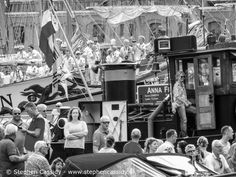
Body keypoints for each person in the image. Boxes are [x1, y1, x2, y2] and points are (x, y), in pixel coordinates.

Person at [173, 71, 196, 137]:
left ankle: (195, 129)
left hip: (185, 104)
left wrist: (187, 102)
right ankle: (184, 135)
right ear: (177, 77)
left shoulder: (182, 84)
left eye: (184, 76)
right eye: (181, 76)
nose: (183, 78)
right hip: (179, 104)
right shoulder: (176, 85)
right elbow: (177, 96)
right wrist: (185, 102)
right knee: (184, 120)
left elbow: (184, 95)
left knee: (195, 111)